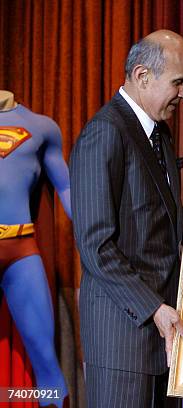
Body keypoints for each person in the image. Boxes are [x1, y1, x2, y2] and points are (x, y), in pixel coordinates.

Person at [70, 30, 183, 408]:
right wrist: (154, 309)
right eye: (179, 83)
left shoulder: (159, 132)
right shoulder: (104, 133)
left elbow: (152, 215)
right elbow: (96, 246)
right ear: (143, 76)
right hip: (123, 338)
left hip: (162, 334)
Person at [0, 90, 70, 407]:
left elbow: (66, 187)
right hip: (21, 255)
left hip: (21, 255)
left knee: (46, 362)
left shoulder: (41, 127)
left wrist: (98, 239)